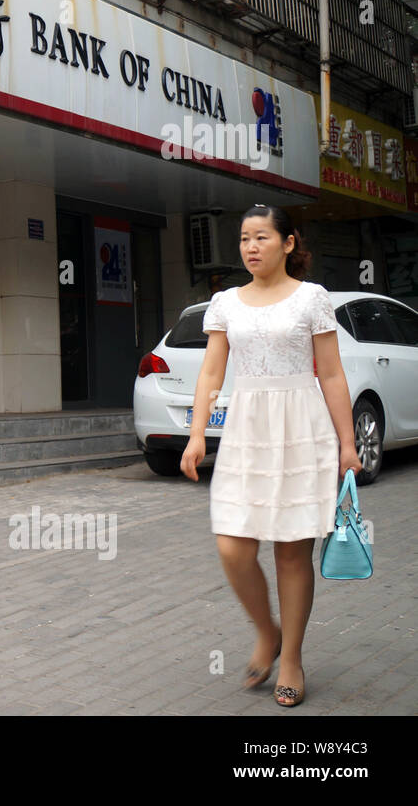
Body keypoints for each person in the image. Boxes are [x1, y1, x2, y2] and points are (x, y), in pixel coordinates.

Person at [181, 204, 363, 708]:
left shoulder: (312, 299)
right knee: (233, 547)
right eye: (243, 239)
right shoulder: (225, 303)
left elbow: (330, 373)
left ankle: (291, 659)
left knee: (290, 550)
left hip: (302, 428)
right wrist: (197, 435)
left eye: (261, 237)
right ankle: (267, 630)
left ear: (288, 243)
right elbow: (212, 374)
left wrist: (348, 445)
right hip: (246, 431)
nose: (251, 247)